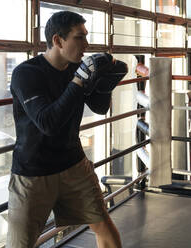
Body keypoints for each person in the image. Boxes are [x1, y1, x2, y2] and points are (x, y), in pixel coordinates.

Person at [7, 11, 127, 248]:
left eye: (86, 36)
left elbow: (99, 107)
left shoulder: (76, 69)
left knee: (102, 224)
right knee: (20, 244)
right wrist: (80, 79)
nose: (86, 44)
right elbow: (48, 123)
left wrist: (107, 83)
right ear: (58, 40)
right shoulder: (27, 73)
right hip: (33, 172)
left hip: (74, 163)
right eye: (79, 37)